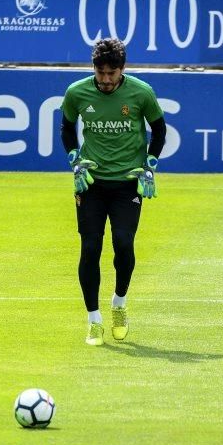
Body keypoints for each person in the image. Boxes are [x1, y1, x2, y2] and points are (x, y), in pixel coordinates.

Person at [60, 37, 166, 346]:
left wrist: (150, 164)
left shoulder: (141, 92)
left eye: (112, 73)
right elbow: (66, 128)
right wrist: (74, 160)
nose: (106, 79)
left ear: (122, 69)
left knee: (123, 243)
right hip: (91, 183)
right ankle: (93, 319)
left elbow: (159, 129)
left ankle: (119, 304)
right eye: (100, 71)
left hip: (127, 183)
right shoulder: (76, 92)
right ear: (93, 67)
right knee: (90, 247)